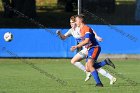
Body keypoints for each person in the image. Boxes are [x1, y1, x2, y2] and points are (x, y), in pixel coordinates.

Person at [56, 16, 116, 85]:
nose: (71, 24)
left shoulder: (81, 28)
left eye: (73, 22)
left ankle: (98, 81)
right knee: (90, 67)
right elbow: (63, 38)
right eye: (70, 23)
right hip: (86, 48)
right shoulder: (71, 31)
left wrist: (96, 36)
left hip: (88, 49)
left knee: (86, 64)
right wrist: (60, 34)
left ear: (77, 22)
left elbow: (91, 31)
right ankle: (108, 73)